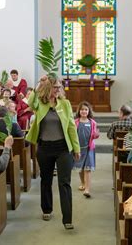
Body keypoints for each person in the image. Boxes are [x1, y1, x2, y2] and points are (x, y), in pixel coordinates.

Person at [25, 75, 80, 230]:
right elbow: (29, 102)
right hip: (44, 148)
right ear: (48, 87)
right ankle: (47, 209)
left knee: (64, 182)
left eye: (59, 87)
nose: (58, 89)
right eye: (55, 87)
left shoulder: (65, 103)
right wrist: (38, 86)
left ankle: (67, 218)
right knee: (46, 180)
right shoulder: (40, 104)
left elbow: (71, 127)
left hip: (63, 148)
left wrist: (76, 148)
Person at [73, 101, 100, 198]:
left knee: (87, 168)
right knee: (80, 168)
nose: (84, 111)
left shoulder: (92, 123)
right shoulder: (75, 122)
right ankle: (83, 183)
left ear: (89, 111)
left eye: (86, 109)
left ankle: (87, 189)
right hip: (79, 149)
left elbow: (94, 135)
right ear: (79, 111)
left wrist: (96, 135)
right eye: (82, 109)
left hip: (89, 148)